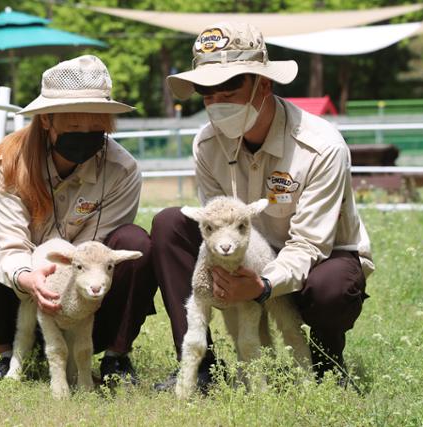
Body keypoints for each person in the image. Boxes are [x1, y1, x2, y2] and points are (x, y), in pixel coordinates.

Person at [151, 23, 374, 391]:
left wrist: (264, 285)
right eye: (207, 92)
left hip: (317, 260)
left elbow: (311, 244)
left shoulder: (322, 147)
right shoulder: (206, 145)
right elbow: (215, 222)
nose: (217, 101)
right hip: (244, 253)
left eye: (230, 88)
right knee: (169, 224)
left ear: (263, 84)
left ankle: (325, 363)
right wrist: (231, 274)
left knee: (331, 286)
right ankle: (199, 365)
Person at [0, 55, 157, 385]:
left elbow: (95, 253)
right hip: (19, 297)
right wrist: (29, 278)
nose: (85, 134)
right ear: (46, 120)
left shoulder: (122, 171)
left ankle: (116, 357)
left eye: (96, 125)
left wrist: (67, 286)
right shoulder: (8, 161)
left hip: (87, 302)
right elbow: (11, 243)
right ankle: (2, 356)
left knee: (134, 242)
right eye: (73, 125)